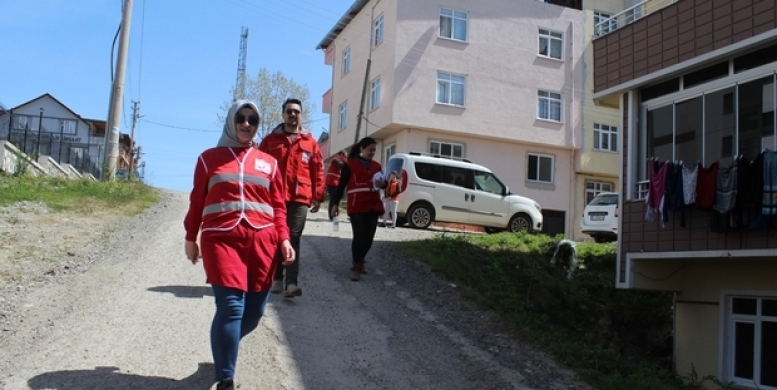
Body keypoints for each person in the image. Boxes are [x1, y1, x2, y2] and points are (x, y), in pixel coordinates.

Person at [183, 100, 294, 390]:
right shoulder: (209, 158)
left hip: (263, 242)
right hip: (221, 239)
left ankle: (223, 347)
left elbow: (279, 206)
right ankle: (225, 378)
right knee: (231, 307)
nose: (246, 124)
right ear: (231, 120)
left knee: (254, 313)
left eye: (253, 120)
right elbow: (197, 201)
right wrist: (190, 237)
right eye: (241, 118)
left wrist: (284, 238)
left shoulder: (268, 163)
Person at [258, 98, 324, 298]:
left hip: (300, 198)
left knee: (294, 237)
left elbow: (318, 170)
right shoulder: (270, 140)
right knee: (276, 236)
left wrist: (318, 196)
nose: (292, 114)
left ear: (301, 115)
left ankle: (291, 284)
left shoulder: (310, 143)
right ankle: (276, 278)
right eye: (289, 111)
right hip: (274, 197)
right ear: (283, 114)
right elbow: (258, 166)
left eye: (296, 111)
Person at [329, 137, 386, 281]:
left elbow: (384, 184)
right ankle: (356, 266)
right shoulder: (350, 165)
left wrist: (383, 184)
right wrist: (335, 203)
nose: (372, 152)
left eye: (374, 150)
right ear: (362, 149)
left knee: (369, 238)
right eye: (370, 150)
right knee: (359, 236)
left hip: (373, 205)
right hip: (357, 206)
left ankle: (361, 258)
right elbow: (341, 185)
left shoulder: (376, 166)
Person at [325, 150, 347, 220]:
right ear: (341, 155)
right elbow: (341, 165)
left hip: (335, 183)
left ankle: (332, 215)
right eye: (345, 156)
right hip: (331, 183)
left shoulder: (340, 161)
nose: (345, 158)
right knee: (333, 199)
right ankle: (332, 216)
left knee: (334, 199)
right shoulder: (335, 160)